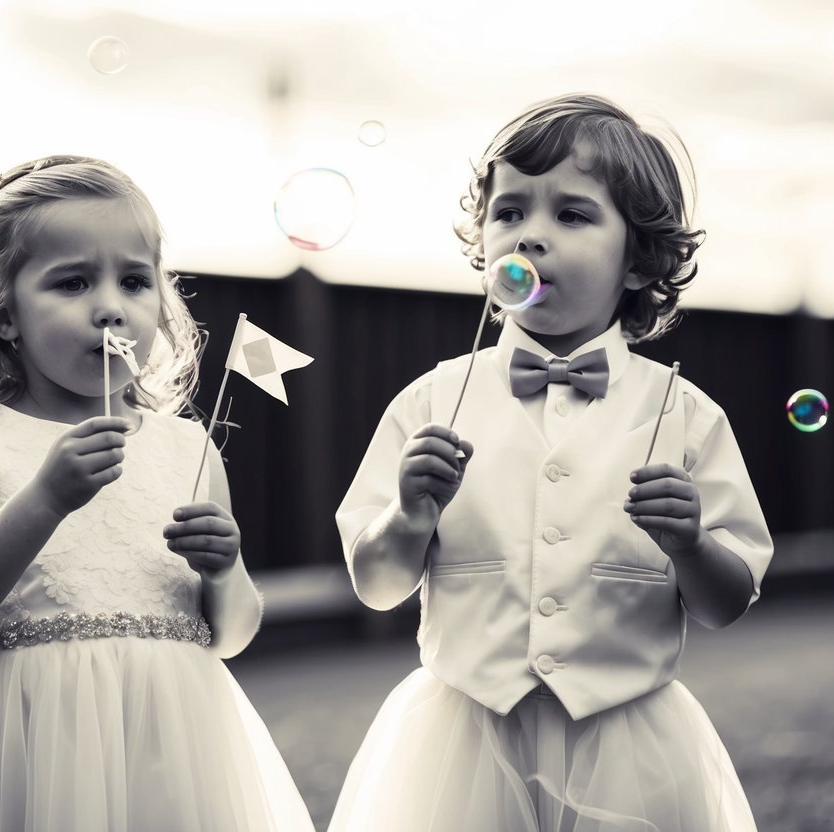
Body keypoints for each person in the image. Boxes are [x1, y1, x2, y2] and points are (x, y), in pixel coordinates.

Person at [330, 95, 773, 831]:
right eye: (509, 213)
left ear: (638, 263)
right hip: (460, 742)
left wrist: (692, 544)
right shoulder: (432, 403)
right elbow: (374, 586)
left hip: (628, 741)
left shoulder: (683, 414)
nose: (529, 236)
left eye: (570, 215)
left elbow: (726, 603)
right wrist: (408, 515)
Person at [0, 156, 313, 832]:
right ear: (5, 316)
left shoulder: (189, 449)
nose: (108, 305)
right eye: (71, 282)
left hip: (172, 747)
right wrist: (45, 497)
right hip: (28, 735)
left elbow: (231, 636)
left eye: (133, 280)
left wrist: (225, 567)